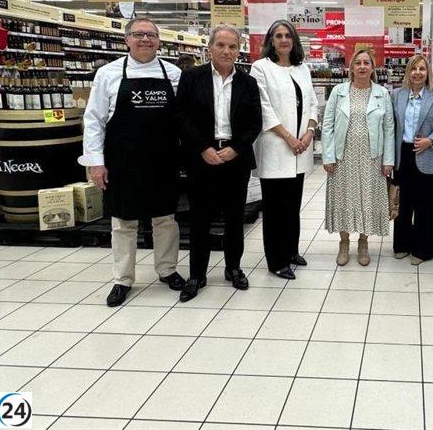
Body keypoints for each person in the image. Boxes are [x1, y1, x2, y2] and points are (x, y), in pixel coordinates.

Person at [78, 18, 186, 307]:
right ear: (127, 40)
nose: (145, 40)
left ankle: (167, 269)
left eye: (151, 35)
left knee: (165, 219)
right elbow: (94, 121)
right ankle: (122, 279)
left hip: (163, 159)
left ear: (159, 41)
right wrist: (96, 162)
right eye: (139, 34)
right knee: (123, 222)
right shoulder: (108, 73)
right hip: (123, 160)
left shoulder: (173, 73)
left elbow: (182, 120)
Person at [175, 25, 262, 302]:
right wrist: (203, 148)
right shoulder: (191, 78)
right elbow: (181, 117)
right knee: (199, 217)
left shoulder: (248, 83)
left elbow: (254, 122)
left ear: (238, 50)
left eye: (232, 46)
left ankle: (233, 268)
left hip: (235, 159)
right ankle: (197, 274)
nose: (227, 51)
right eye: (221, 45)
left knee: (235, 218)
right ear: (209, 48)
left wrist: (236, 148)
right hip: (202, 157)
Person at [251, 20, 319, 280]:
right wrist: (290, 138)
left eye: (288, 35)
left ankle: (291, 250)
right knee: (275, 209)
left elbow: (312, 102)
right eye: (278, 36)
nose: (283, 40)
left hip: (300, 148)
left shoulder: (303, 69)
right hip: (277, 148)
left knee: (292, 206)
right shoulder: (261, 68)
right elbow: (264, 108)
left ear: (294, 41)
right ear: (271, 40)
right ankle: (276, 260)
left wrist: (309, 132)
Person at [323, 49, 395, 266]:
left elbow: (389, 128)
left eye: (367, 63)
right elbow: (328, 125)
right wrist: (328, 156)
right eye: (358, 63)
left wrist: (388, 160)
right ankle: (344, 242)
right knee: (344, 198)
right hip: (343, 157)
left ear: (373, 68)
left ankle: (363, 243)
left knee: (368, 199)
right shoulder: (338, 91)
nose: (362, 66)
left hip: (372, 157)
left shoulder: (382, 93)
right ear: (351, 68)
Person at [391, 55, 433, 264]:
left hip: (426, 153)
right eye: (414, 69)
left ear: (428, 72)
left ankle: (422, 250)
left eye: (422, 69)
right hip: (403, 153)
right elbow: (392, 127)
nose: (417, 73)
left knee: (425, 205)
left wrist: (430, 141)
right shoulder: (397, 95)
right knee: (403, 203)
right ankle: (402, 244)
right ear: (408, 71)